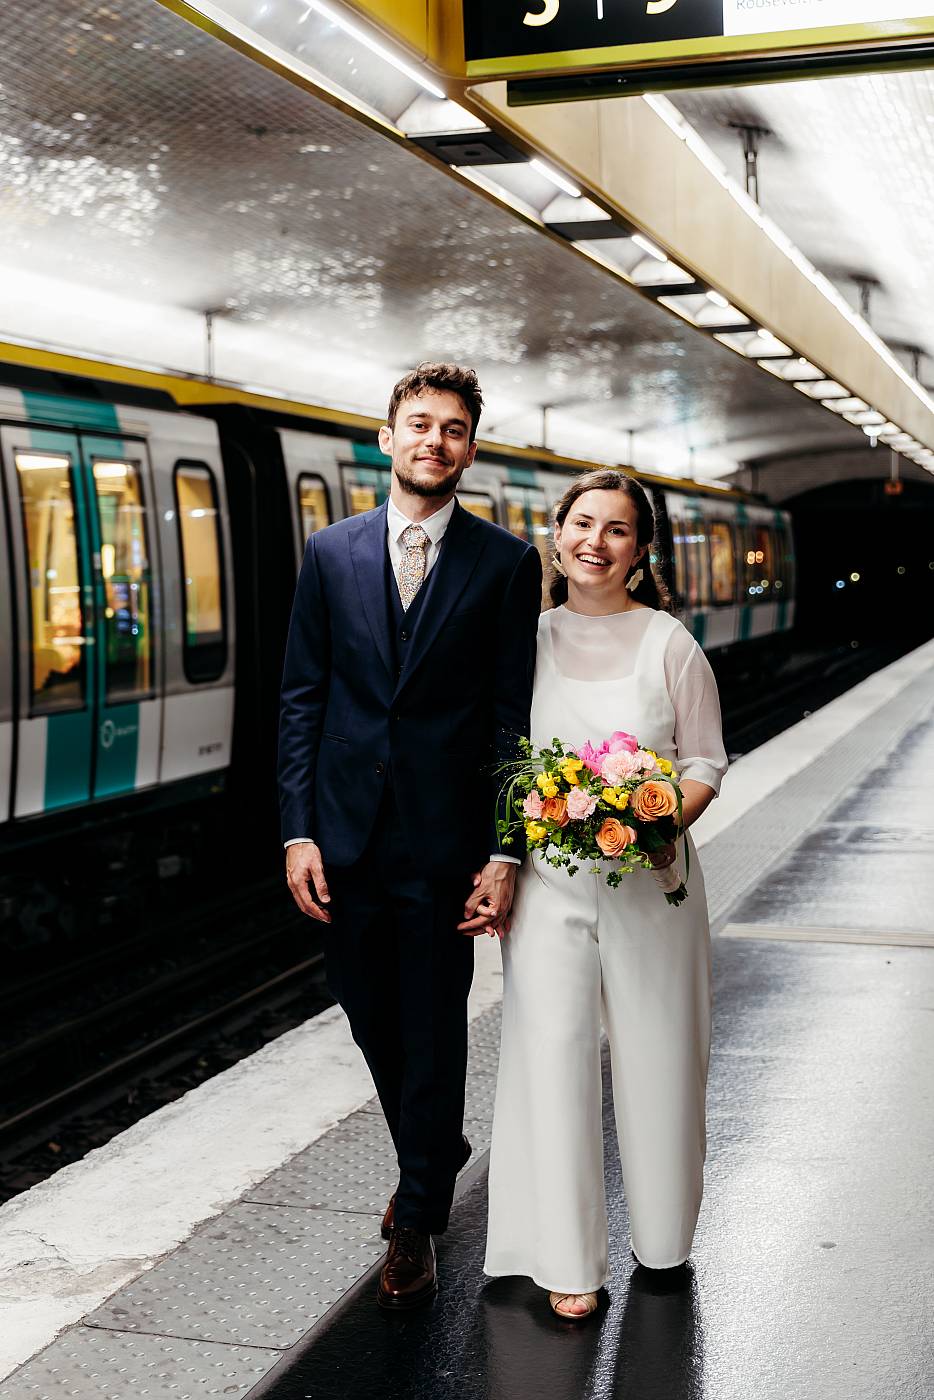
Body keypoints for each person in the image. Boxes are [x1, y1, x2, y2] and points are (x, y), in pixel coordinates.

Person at [278, 363, 542, 1311]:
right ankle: (436, 1151)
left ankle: (421, 1214)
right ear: (385, 439)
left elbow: (513, 716)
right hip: (346, 840)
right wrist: (298, 831)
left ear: (472, 448)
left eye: (455, 428)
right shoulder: (329, 553)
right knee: (363, 1006)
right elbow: (304, 698)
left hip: (445, 844)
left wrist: (505, 852)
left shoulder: (506, 563)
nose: (436, 441)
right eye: (419, 424)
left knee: (432, 1032)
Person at [484, 469, 728, 1321]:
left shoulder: (672, 644)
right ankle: (564, 1258)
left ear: (641, 549)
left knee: (661, 1052)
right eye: (581, 523)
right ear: (556, 533)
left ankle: (662, 1240)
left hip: (652, 882)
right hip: (549, 886)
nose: (595, 541)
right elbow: (499, 757)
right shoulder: (526, 638)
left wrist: (661, 819)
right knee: (548, 1055)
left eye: (617, 529)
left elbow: (704, 761)